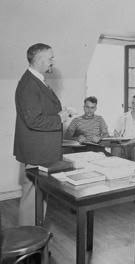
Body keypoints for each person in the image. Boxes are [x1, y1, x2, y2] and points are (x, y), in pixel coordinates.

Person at [14, 43, 69, 225]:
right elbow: (34, 120)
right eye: (50, 57)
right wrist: (59, 118)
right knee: (32, 197)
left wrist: (60, 114)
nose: (53, 61)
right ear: (39, 60)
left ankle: (36, 242)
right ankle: (29, 246)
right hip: (36, 152)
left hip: (42, 150)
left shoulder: (37, 80)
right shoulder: (29, 84)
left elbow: (43, 112)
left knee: (38, 197)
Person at [111, 94, 135, 170]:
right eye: (133, 103)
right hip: (123, 142)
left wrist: (128, 143)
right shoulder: (123, 116)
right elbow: (115, 131)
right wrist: (117, 136)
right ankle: (116, 175)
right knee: (116, 149)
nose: (134, 105)